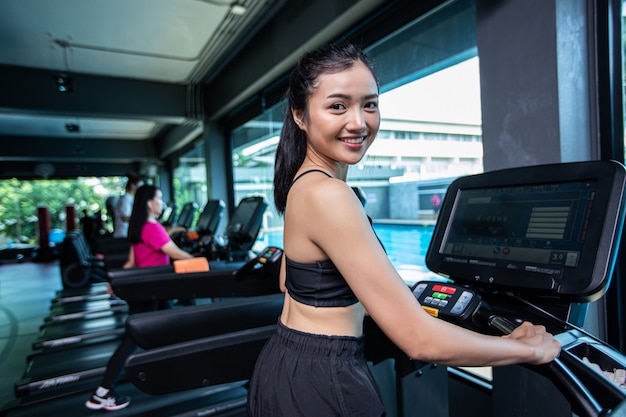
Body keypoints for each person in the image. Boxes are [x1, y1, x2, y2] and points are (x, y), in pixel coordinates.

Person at [246, 42, 562, 417]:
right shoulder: (329, 194)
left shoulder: (302, 184)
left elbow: (289, 281)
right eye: (337, 106)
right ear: (300, 115)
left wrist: (380, 298)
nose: (358, 122)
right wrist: (527, 347)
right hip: (324, 377)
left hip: (287, 365)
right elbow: (420, 341)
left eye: (369, 104)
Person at [86, 184, 193, 411]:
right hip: (148, 290)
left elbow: (131, 262)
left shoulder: (141, 227)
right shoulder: (151, 227)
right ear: (149, 202)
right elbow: (174, 253)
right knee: (132, 340)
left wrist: (117, 282)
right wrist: (202, 263)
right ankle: (102, 392)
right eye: (160, 198)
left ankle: (173, 369)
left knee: (173, 326)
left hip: (150, 289)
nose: (161, 203)